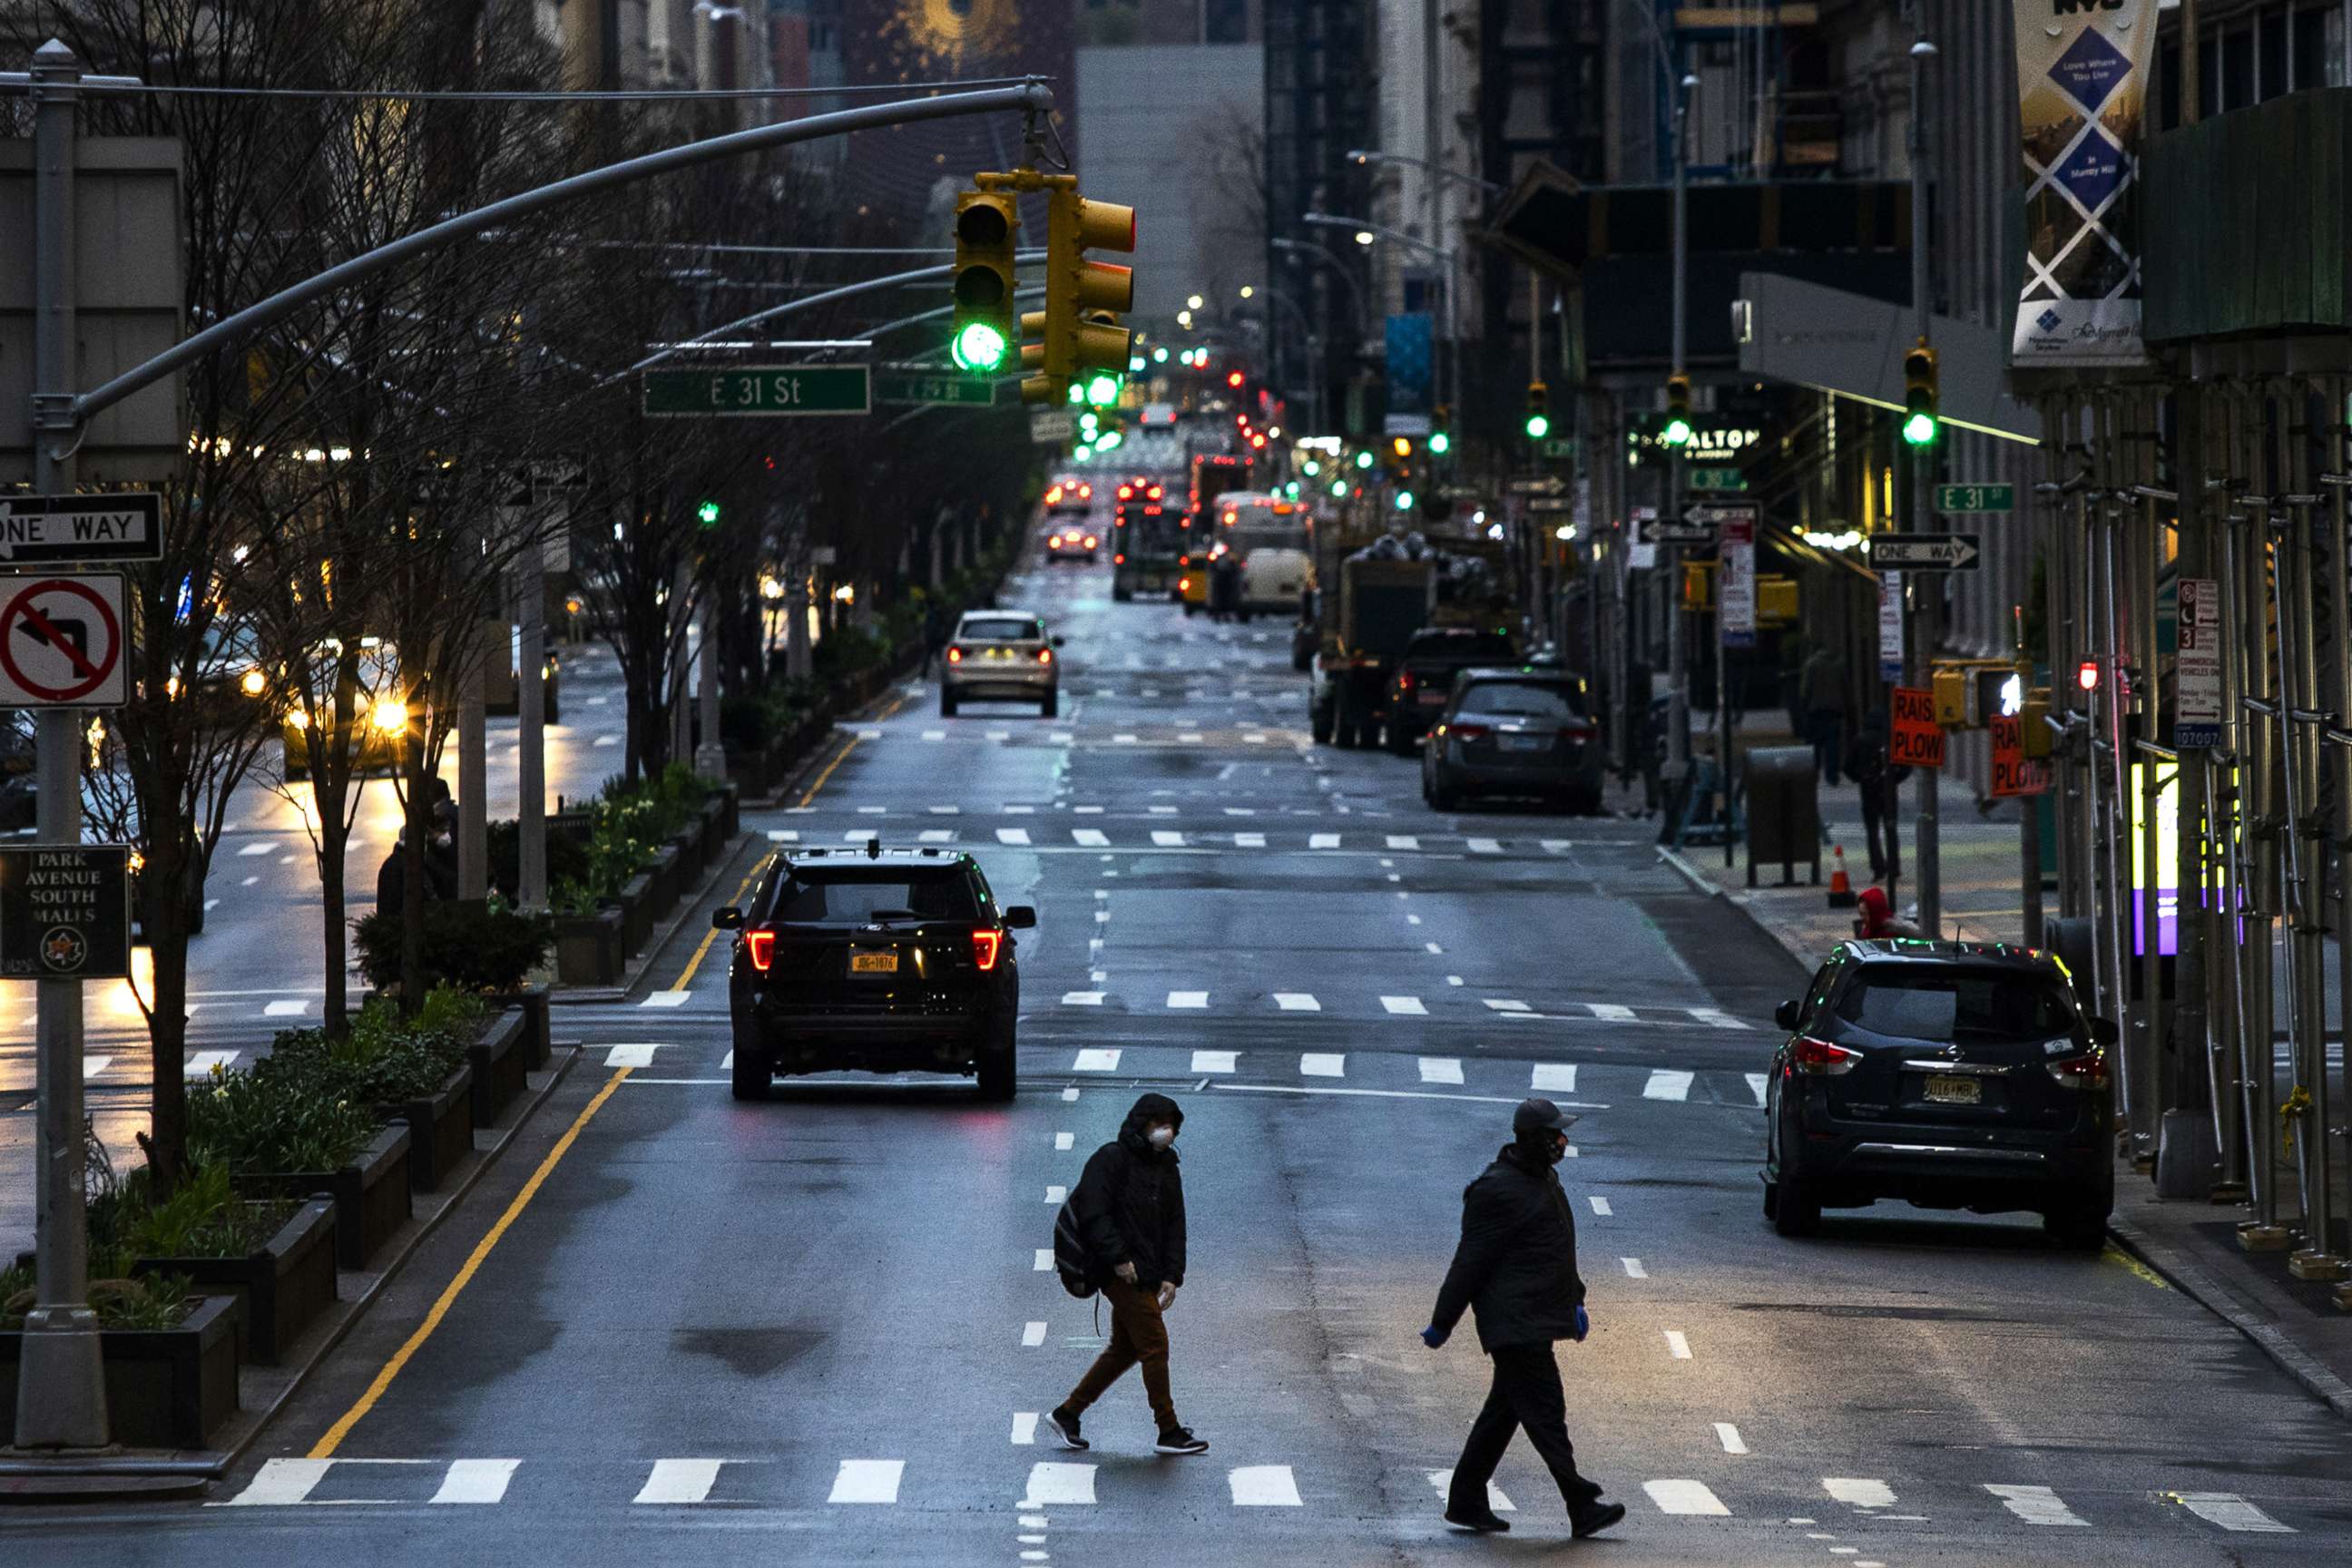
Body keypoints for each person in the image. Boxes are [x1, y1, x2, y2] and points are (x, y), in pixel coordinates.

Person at [1422, 1098, 1625, 1540]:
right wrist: (1443, 1323)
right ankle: (1581, 1504)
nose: (1562, 1141)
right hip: (1514, 1324)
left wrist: (1575, 1299)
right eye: (1555, 1134)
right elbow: (1468, 1264)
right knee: (1546, 1413)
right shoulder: (1496, 1190)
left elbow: (1556, 1248)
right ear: (1532, 1139)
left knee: (1506, 1412)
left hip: (1536, 1317)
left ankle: (1466, 1501)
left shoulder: (1543, 1180)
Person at [1045, 1093, 1208, 1457]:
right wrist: (1118, 1259)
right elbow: (1095, 1214)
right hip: (1117, 1272)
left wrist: (1172, 1275)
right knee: (1155, 1345)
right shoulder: (1111, 1159)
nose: (1166, 1132)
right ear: (1141, 1124)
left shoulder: (1167, 1166)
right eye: (1158, 1124)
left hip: (1148, 1272)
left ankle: (1067, 1413)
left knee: (1126, 1349)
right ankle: (1168, 1429)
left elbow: (1175, 1224)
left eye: (1172, 1126)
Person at [1845, 710, 1907, 879]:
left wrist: (1860, 778)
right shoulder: (1891, 741)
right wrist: (1895, 779)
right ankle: (1894, 867)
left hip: (1868, 789)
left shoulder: (1859, 740)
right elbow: (1906, 767)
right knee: (1891, 828)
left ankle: (1878, 867)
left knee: (1872, 830)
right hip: (1887, 788)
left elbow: (1847, 766)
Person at [1799, 643, 1847, 785]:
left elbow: (1805, 689)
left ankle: (1813, 775)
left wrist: (1804, 706)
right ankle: (1832, 776)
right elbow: (1845, 687)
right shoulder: (1840, 664)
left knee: (1813, 744)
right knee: (1832, 745)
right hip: (1834, 710)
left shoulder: (1811, 664)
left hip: (1815, 710)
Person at [1856, 884, 1926, 938]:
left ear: (1875, 912)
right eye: (1861, 914)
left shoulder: (1897, 930)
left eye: (1866, 914)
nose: (1862, 918)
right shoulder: (1867, 931)